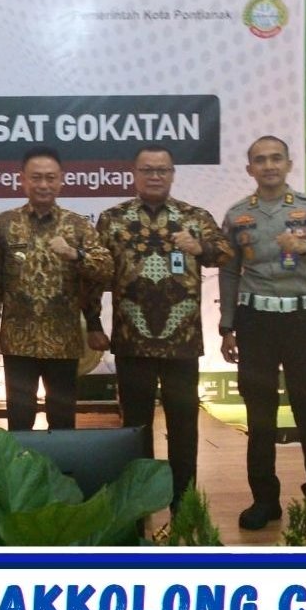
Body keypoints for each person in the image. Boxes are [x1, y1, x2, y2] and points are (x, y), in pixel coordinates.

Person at [85, 145, 233, 513]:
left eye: (162, 170)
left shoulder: (194, 217)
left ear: (172, 174)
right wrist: (93, 322)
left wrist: (199, 247)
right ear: (134, 174)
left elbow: (226, 253)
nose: (155, 176)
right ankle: (139, 507)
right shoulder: (112, 219)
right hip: (132, 342)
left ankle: (185, 505)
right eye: (147, 169)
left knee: (184, 426)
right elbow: (94, 274)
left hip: (182, 343)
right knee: (134, 429)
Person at [219, 135, 306, 538]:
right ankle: (264, 500)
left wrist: (305, 245)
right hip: (255, 323)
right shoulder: (237, 214)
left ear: (289, 164)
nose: (269, 165)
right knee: (259, 417)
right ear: (250, 169)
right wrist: (227, 326)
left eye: (276, 158)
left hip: (300, 322)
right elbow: (229, 271)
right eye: (260, 160)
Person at [0, 146, 113, 431]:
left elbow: (105, 270)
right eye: (36, 177)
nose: (43, 184)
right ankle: (20, 462)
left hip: (64, 341)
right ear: (23, 180)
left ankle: (60, 462)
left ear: (61, 180)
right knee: (19, 420)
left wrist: (75, 255)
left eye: (50, 178)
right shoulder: (4, 223)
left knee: (63, 422)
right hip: (18, 342)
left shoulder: (77, 225)